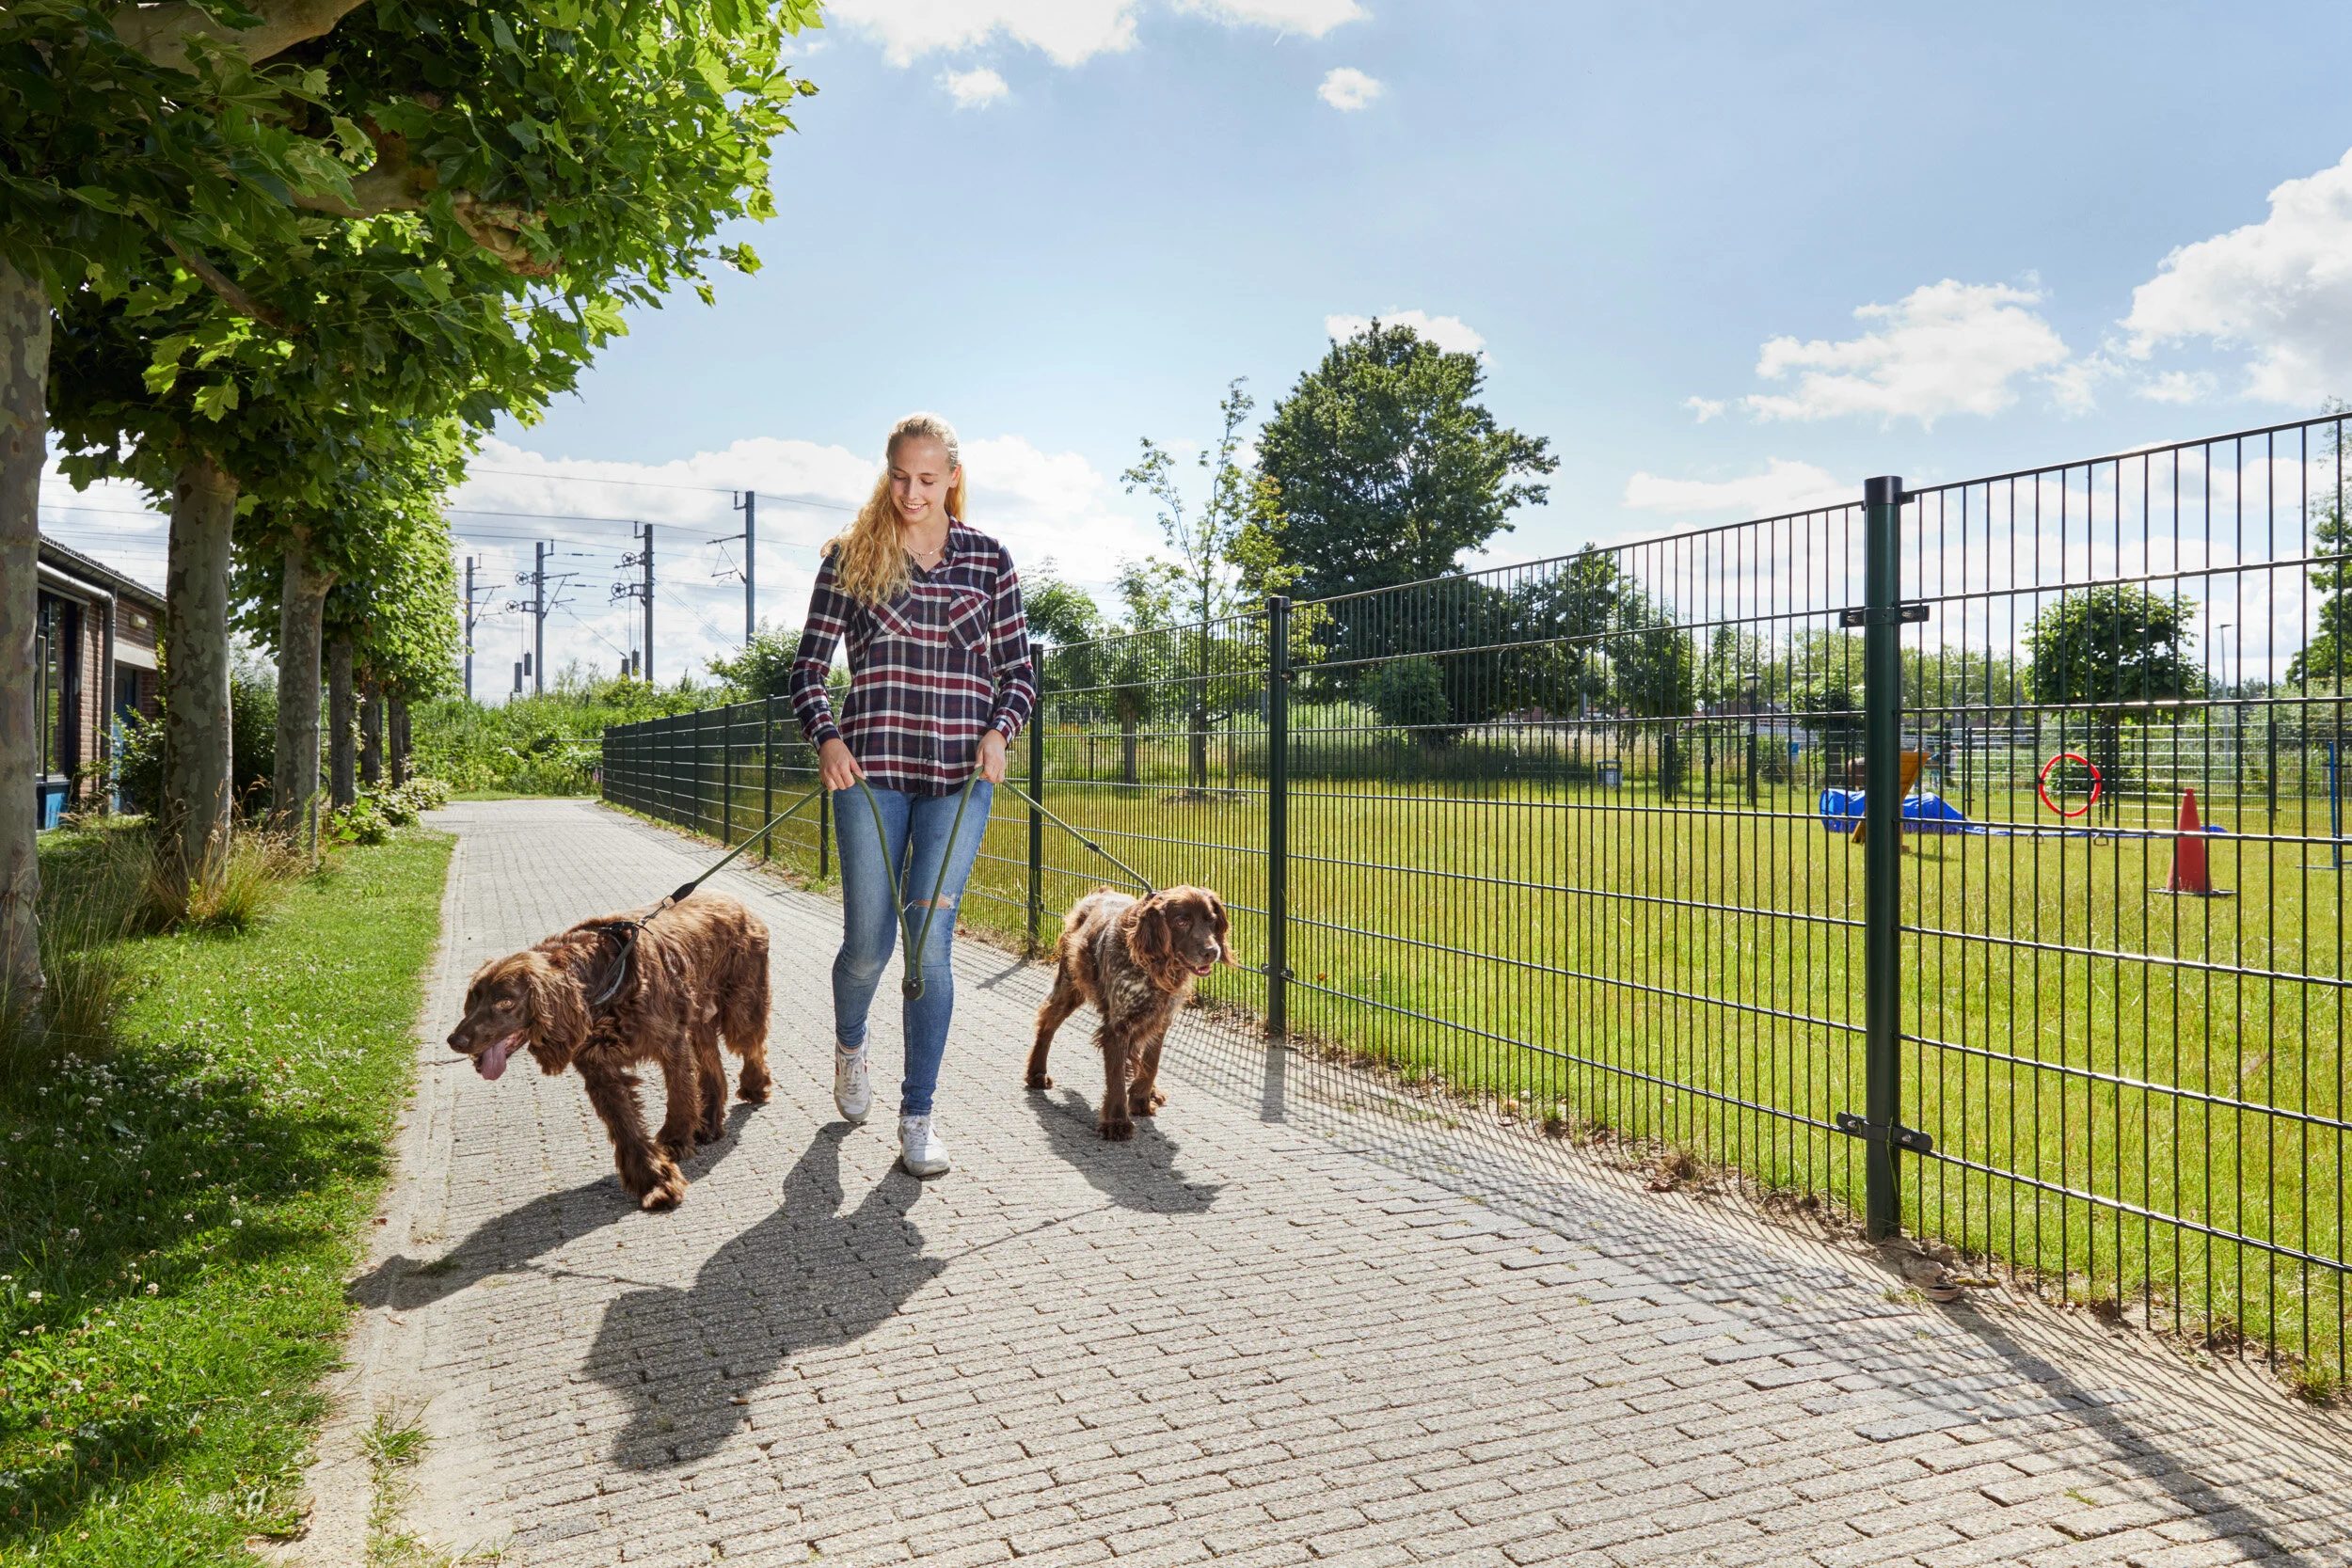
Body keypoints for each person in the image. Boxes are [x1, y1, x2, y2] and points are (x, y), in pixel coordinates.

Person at [789, 412, 1035, 1175]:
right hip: (872, 777)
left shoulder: (989, 562)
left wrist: (1001, 731)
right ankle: (850, 1046)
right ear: (887, 471)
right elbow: (806, 670)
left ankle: (919, 1112)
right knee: (869, 946)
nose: (911, 492)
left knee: (929, 949)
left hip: (959, 785)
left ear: (953, 477)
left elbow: (1020, 674)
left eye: (928, 479)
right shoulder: (851, 558)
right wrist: (827, 736)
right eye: (900, 476)